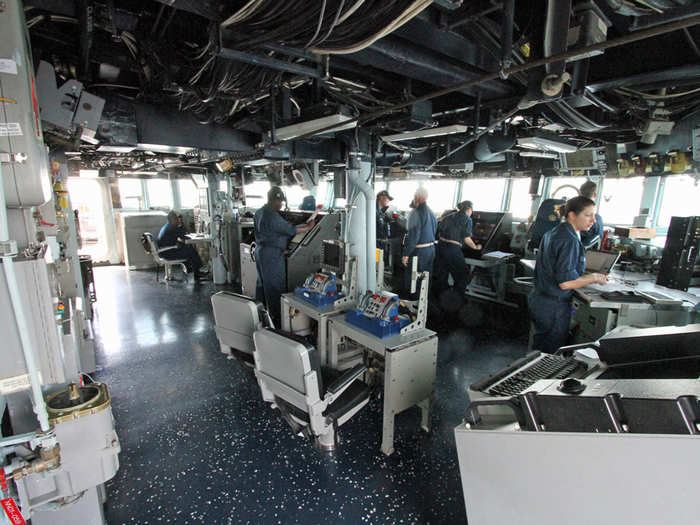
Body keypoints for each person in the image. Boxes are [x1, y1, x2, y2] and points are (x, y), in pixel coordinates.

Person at [528, 196, 608, 353]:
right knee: (550, 353)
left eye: (593, 215)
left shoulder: (556, 231)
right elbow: (566, 283)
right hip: (553, 306)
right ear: (572, 215)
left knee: (540, 349)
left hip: (541, 301)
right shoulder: (568, 239)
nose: (593, 220)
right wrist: (594, 278)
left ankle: (530, 376)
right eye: (588, 215)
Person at [254, 186, 315, 326]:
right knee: (274, 287)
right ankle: (277, 322)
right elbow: (290, 230)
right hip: (272, 254)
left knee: (262, 285)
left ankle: (259, 316)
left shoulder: (260, 212)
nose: (281, 205)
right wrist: (309, 227)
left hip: (261, 251)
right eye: (280, 201)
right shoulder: (271, 215)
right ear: (275, 199)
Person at [434, 200, 482, 295]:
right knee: (463, 275)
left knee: (442, 274)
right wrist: (476, 247)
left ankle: (442, 297)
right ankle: (456, 299)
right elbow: (467, 239)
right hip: (452, 249)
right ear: (469, 209)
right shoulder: (467, 219)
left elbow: (439, 229)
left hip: (440, 247)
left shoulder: (448, 216)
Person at [402, 187, 437, 298]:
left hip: (419, 251)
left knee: (413, 279)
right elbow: (435, 230)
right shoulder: (432, 212)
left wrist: (406, 254)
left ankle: (412, 305)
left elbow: (414, 236)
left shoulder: (415, 213)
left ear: (417, 197)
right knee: (426, 278)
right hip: (431, 250)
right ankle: (424, 302)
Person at [157, 210, 205, 279]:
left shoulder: (167, 226)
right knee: (191, 250)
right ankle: (197, 272)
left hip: (164, 252)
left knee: (187, 247)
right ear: (172, 219)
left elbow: (181, 237)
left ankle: (191, 268)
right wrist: (181, 224)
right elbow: (185, 237)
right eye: (176, 218)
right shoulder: (172, 228)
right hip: (168, 254)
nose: (177, 220)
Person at [579, 180, 604, 248]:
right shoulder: (597, 219)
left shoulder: (569, 214)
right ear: (595, 195)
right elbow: (599, 241)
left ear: (580, 194)